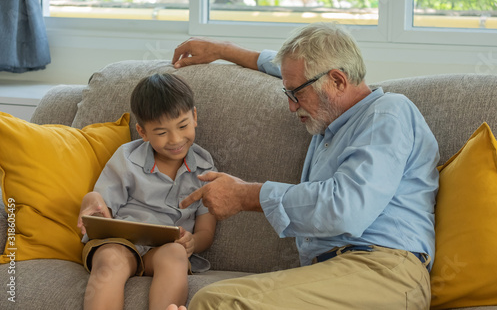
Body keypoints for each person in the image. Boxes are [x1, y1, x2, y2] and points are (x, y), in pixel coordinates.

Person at [166, 22, 440, 310]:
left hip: (385, 272)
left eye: (297, 94)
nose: (291, 106)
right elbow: (291, 72)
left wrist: (246, 195)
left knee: (218, 302)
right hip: (334, 273)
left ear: (337, 81)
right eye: (288, 94)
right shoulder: (329, 123)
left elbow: (345, 209)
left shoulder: (387, 113)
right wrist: (223, 50)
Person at [77, 73, 217, 310]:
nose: (175, 139)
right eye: (161, 133)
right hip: (120, 243)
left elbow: (206, 230)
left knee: (175, 254)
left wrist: (194, 242)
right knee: (110, 259)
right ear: (142, 132)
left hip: (164, 250)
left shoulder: (205, 167)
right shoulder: (127, 158)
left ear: (194, 116)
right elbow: (101, 202)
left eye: (182, 126)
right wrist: (90, 201)